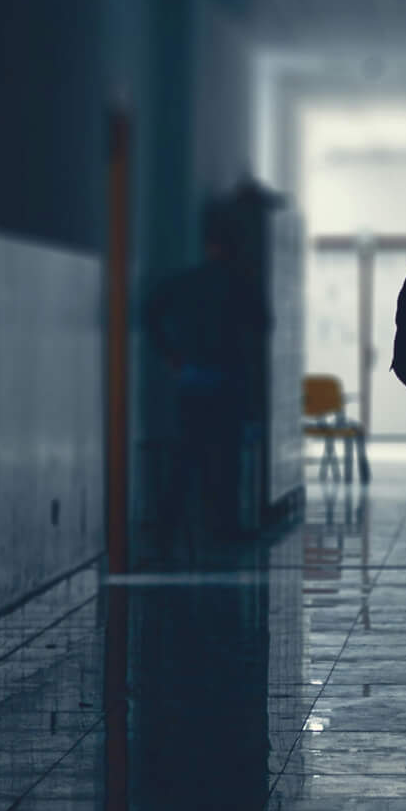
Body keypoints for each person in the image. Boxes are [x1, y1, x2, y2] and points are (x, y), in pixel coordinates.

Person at [143, 209, 267, 560]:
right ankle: (225, 527)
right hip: (228, 380)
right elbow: (263, 323)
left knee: (185, 458)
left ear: (208, 246)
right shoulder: (240, 283)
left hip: (193, 380)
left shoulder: (186, 281)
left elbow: (150, 311)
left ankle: (165, 534)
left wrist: (170, 354)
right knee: (227, 459)